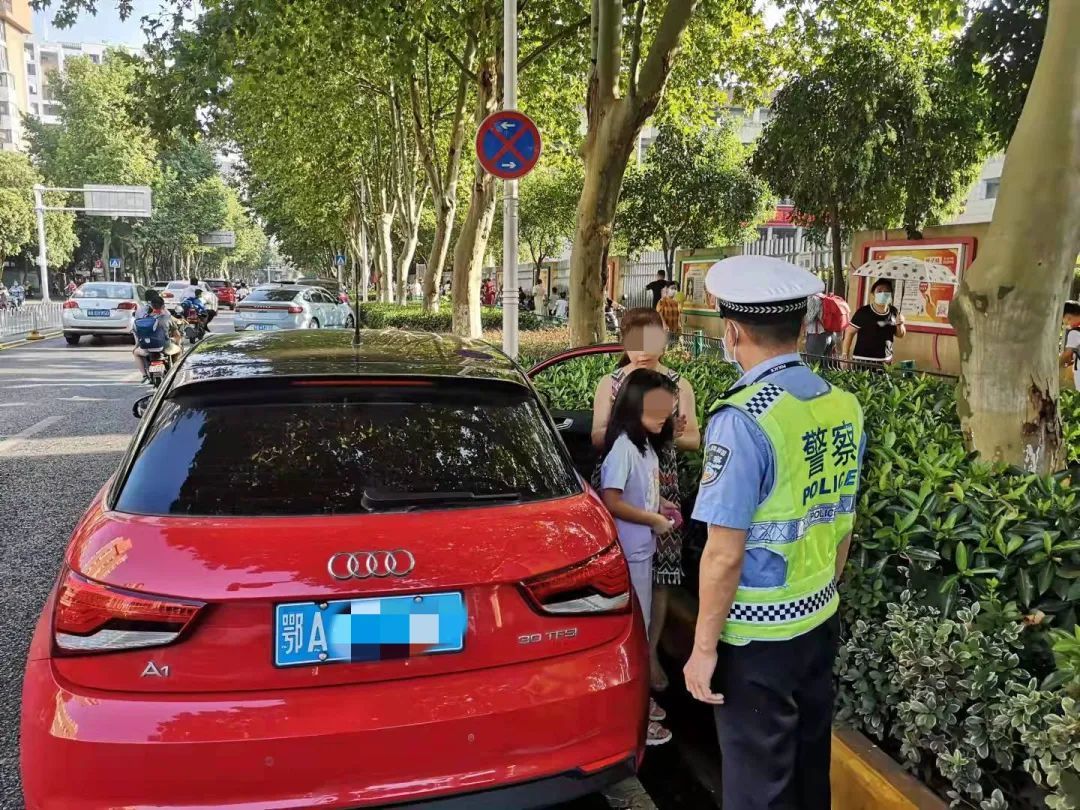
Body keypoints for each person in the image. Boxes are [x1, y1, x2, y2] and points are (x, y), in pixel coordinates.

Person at [683, 255, 866, 810]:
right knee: (809, 772)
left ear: (732, 332)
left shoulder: (743, 418)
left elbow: (723, 555)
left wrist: (703, 649)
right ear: (802, 329)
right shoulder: (842, 404)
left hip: (757, 636)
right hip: (819, 617)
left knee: (758, 788)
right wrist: (825, 588)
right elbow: (841, 515)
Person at [592, 308, 701, 696]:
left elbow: (693, 438)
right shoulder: (611, 383)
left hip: (662, 486)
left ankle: (650, 652)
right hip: (626, 485)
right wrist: (637, 425)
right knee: (624, 573)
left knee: (662, 575)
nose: (641, 350)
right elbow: (598, 436)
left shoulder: (678, 384)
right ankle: (624, 651)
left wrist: (667, 431)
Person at [599, 367, 680, 747]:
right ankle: (635, 714)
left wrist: (659, 505)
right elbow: (612, 501)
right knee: (634, 635)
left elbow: (640, 492)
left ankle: (638, 702)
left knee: (641, 629)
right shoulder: (623, 449)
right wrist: (652, 519)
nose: (666, 415)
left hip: (642, 552)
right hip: (631, 555)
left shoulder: (645, 446)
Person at [841, 278, 906, 366]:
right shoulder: (863, 312)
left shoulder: (894, 311)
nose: (883, 293)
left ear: (890, 294)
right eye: (879, 291)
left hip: (885, 361)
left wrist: (900, 324)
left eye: (886, 291)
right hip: (863, 360)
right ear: (873, 294)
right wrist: (845, 354)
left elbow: (900, 335)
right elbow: (849, 332)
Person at [132, 293, 182, 380]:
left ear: (151, 306)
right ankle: (175, 373)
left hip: (147, 348)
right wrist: (178, 344)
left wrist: (136, 347)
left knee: (136, 353)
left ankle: (144, 375)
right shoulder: (167, 318)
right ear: (163, 306)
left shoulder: (145, 319)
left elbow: (139, 336)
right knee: (179, 350)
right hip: (165, 347)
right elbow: (177, 335)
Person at [1062, 300, 1080, 391]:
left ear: (1068, 317)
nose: (1067, 326)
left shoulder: (1074, 332)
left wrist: (1055, 364)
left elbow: (1067, 355)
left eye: (1066, 323)